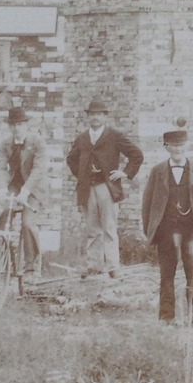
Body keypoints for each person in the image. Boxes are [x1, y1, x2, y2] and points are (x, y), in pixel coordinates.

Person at [141, 126, 193, 324]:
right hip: (166, 229)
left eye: (181, 146)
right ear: (166, 147)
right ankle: (167, 316)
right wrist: (149, 230)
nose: (177, 150)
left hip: (192, 229)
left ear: (186, 146)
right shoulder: (157, 171)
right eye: (173, 146)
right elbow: (147, 203)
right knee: (167, 273)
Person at [66, 97, 142, 278]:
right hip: (88, 189)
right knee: (92, 229)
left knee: (109, 228)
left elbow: (136, 155)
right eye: (92, 114)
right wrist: (82, 175)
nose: (95, 118)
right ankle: (94, 266)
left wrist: (125, 173)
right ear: (88, 117)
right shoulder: (82, 138)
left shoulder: (114, 136)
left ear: (104, 117)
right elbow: (71, 159)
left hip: (107, 188)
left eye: (98, 114)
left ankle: (113, 266)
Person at [0, 106, 47, 276]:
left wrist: (26, 190)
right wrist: (2, 188)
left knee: (27, 223)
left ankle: (32, 266)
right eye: (13, 125)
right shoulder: (5, 143)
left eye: (19, 124)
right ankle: (2, 259)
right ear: (9, 127)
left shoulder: (37, 142)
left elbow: (39, 169)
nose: (16, 128)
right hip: (14, 185)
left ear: (26, 125)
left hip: (33, 188)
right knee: (3, 216)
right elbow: (1, 167)